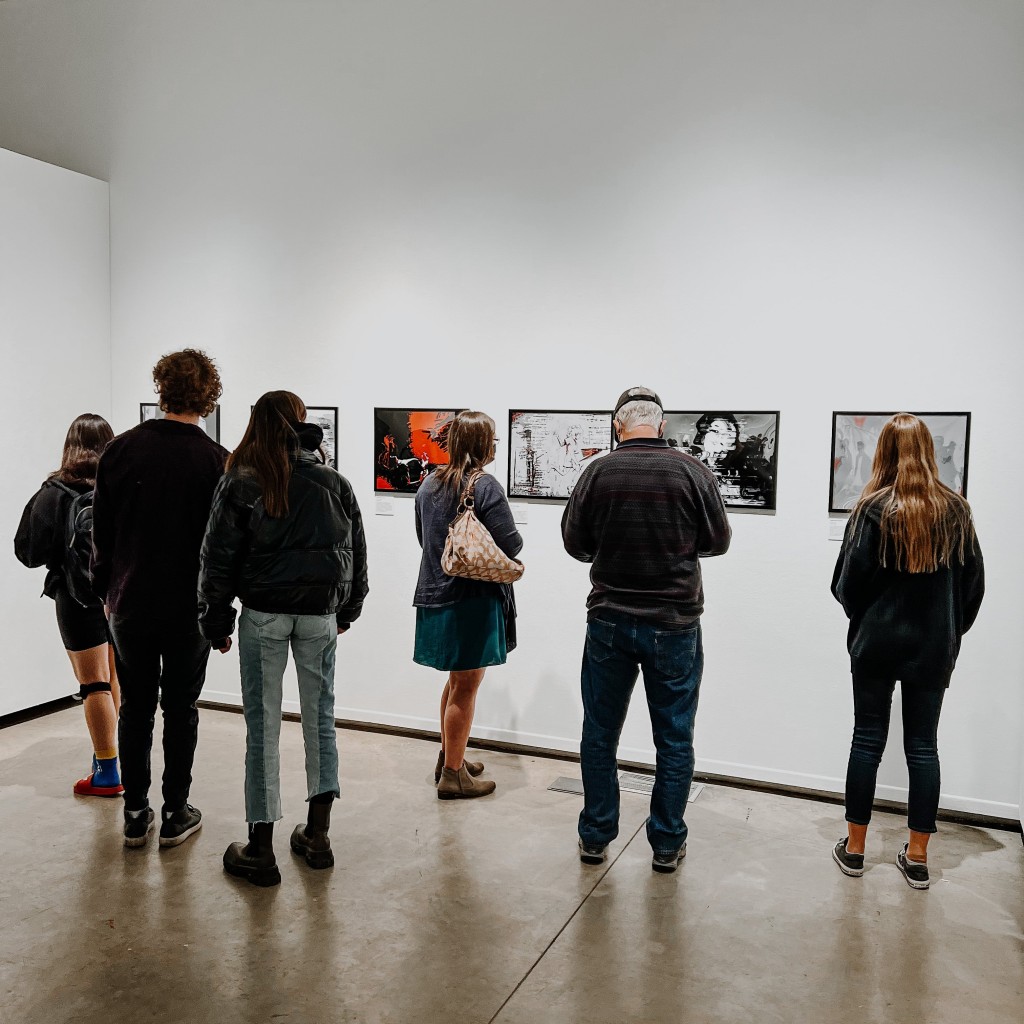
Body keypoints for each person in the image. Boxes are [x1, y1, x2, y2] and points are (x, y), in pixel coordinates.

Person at [198, 391, 368, 887]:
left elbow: (217, 557)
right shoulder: (332, 481)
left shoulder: (242, 480)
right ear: (301, 424)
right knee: (321, 723)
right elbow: (356, 554)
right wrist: (348, 610)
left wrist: (215, 620)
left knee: (263, 728)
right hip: (320, 617)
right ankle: (317, 837)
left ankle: (260, 849)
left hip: (264, 616)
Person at [561, 386, 731, 872]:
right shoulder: (691, 471)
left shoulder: (597, 472)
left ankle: (595, 836)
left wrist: (608, 550)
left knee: (599, 732)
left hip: (610, 620)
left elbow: (574, 543)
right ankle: (665, 844)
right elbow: (718, 541)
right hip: (674, 624)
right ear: (661, 426)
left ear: (619, 426)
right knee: (674, 738)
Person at [831, 413, 984, 890]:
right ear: (927, 451)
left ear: (884, 453)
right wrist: (950, 630)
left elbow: (845, 585)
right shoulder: (956, 510)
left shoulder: (872, 509)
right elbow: (973, 588)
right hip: (932, 648)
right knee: (923, 747)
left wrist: (868, 620)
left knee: (866, 741)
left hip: (876, 644)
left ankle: (854, 849)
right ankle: (917, 856)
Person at [91, 349, 228, 848]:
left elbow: (101, 535)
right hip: (188, 607)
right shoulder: (217, 460)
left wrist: (105, 589)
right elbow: (221, 548)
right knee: (181, 708)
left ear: (161, 389)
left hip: (128, 602)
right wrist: (220, 607)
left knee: (136, 707)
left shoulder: (120, 451)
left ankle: (134, 811)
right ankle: (175, 811)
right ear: (208, 397)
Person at [413, 410, 523, 799]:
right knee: (466, 685)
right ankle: (454, 775)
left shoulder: (428, 485)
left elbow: (424, 539)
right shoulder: (485, 486)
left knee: (456, 680)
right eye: (491, 439)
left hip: (435, 592)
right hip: (471, 600)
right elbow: (512, 545)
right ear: (480, 444)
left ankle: (449, 755)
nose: (495, 445)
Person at [15, 414, 122, 797]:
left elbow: (27, 551)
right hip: (117, 595)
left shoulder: (54, 492)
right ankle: (105, 755)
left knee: (92, 684)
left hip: (75, 598)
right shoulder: (120, 486)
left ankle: (107, 774)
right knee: (112, 678)